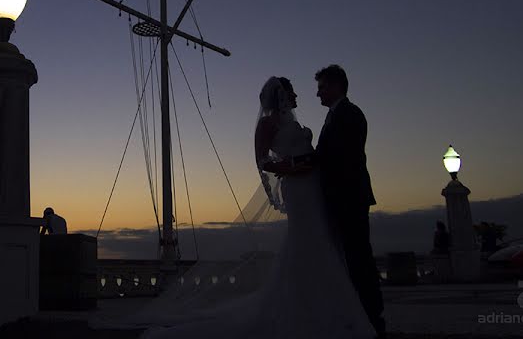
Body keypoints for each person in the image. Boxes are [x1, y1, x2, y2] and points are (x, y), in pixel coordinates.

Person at [135, 76, 376, 339]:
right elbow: (263, 161)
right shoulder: (266, 124)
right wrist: (293, 168)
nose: (297, 96)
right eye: (291, 92)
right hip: (297, 188)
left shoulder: (293, 122)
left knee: (323, 242)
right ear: (280, 96)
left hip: (315, 188)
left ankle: (330, 306)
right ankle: (307, 309)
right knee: (307, 240)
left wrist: (311, 165)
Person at [314, 65, 386, 338]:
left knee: (359, 257)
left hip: (349, 197)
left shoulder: (349, 115)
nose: (318, 94)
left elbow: (342, 159)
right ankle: (359, 312)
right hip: (341, 197)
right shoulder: (335, 116)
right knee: (352, 257)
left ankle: (372, 316)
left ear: (334, 87)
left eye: (321, 87)